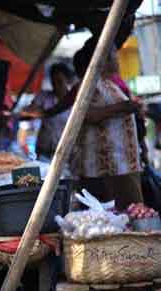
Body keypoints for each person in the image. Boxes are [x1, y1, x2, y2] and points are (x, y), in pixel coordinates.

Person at [70, 42, 144, 209]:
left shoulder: (110, 83)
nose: (117, 59)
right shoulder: (89, 83)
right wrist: (122, 107)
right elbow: (86, 115)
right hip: (108, 167)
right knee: (120, 214)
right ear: (102, 58)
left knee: (131, 213)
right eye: (113, 55)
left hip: (122, 164)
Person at [20, 63, 74, 159]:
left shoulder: (75, 102)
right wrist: (40, 112)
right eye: (53, 82)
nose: (56, 85)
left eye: (59, 81)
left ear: (68, 81)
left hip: (65, 153)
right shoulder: (43, 96)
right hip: (43, 149)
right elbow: (25, 112)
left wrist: (42, 113)